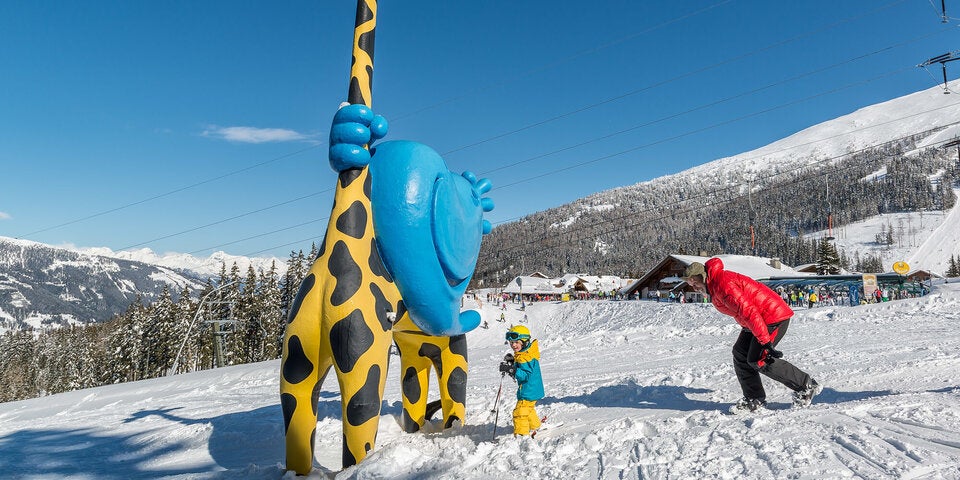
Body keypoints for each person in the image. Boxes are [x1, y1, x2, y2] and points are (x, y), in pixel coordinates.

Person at [684, 259, 821, 413]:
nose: (694, 287)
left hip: (772, 317)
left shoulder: (723, 284)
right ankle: (754, 398)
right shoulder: (714, 286)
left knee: (759, 359)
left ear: (702, 276)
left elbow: (748, 311)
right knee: (740, 353)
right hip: (756, 321)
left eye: (694, 282)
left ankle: (805, 385)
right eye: (691, 284)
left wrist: (764, 341)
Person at [499, 325, 544, 436]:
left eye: (516, 342)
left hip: (529, 390)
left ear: (524, 341)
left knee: (519, 413)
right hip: (532, 389)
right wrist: (512, 362)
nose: (513, 345)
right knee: (528, 410)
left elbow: (525, 375)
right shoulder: (524, 353)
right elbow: (522, 368)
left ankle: (521, 435)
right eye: (511, 342)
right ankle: (535, 426)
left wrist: (512, 369)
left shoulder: (526, 357)